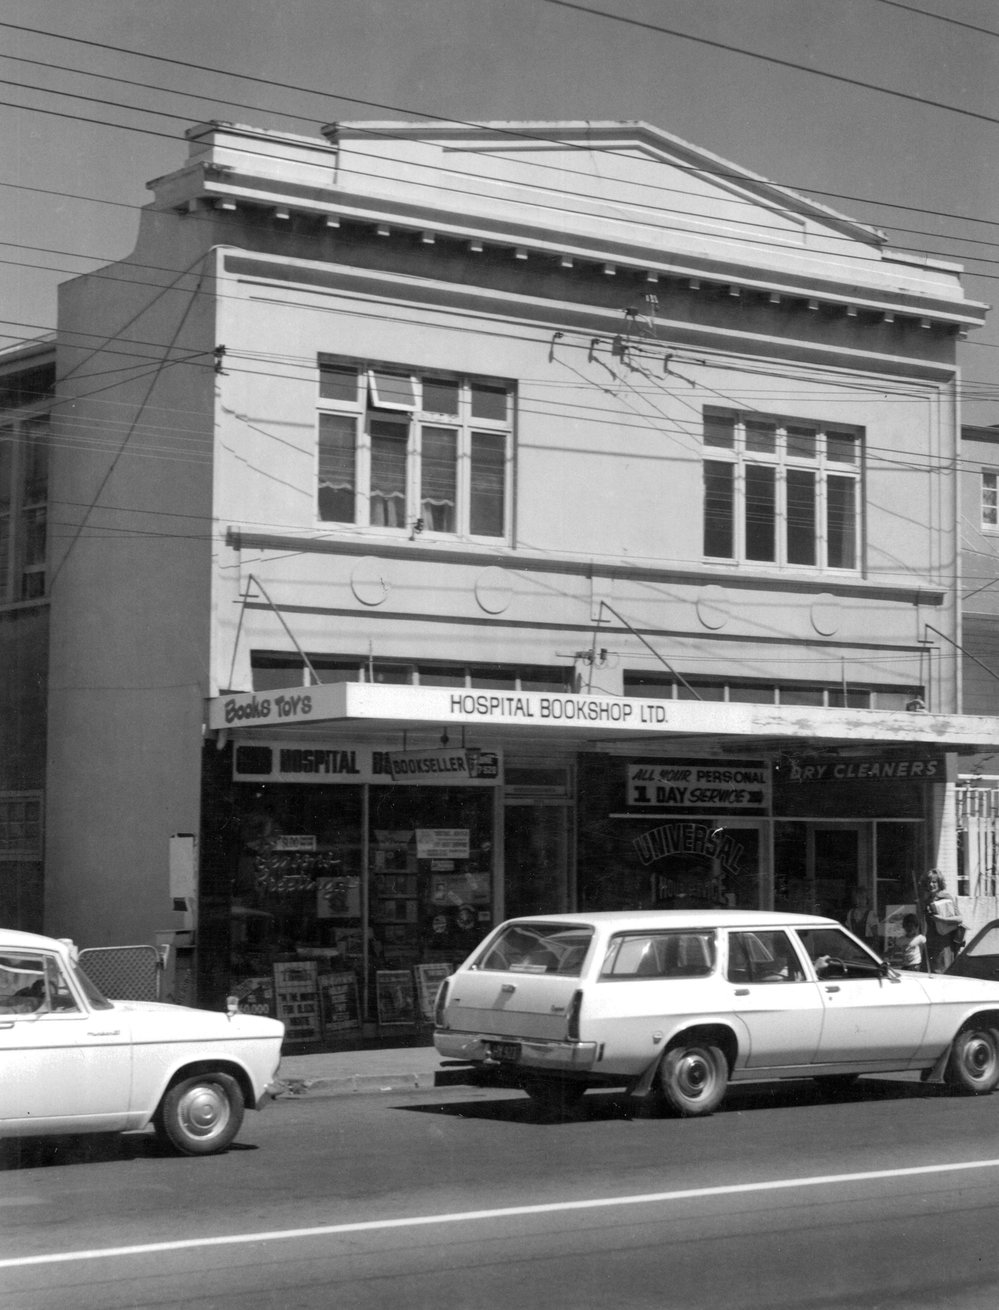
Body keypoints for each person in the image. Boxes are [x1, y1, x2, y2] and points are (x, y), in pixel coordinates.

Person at [920, 869, 964, 972]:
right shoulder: (927, 901)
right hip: (930, 943)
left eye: (934, 882)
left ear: (939, 883)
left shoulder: (946, 897)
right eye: (928, 882)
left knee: (941, 974)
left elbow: (959, 918)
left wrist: (942, 919)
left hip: (943, 945)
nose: (931, 884)